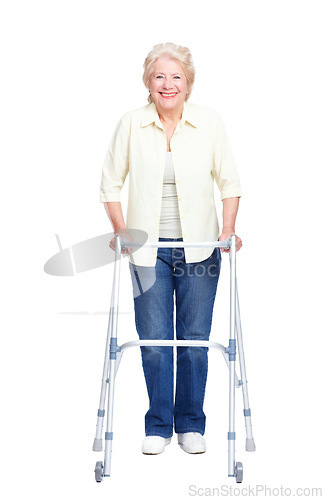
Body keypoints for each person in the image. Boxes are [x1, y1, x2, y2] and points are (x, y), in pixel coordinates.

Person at [100, 42, 242, 456]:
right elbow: (110, 184)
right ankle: (159, 425)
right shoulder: (131, 124)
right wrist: (121, 229)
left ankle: (191, 424)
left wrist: (229, 228)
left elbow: (230, 182)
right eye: (159, 76)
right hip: (147, 253)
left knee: (195, 341)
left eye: (176, 76)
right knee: (156, 342)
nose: (168, 84)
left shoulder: (210, 123)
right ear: (148, 82)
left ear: (188, 83)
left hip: (200, 250)